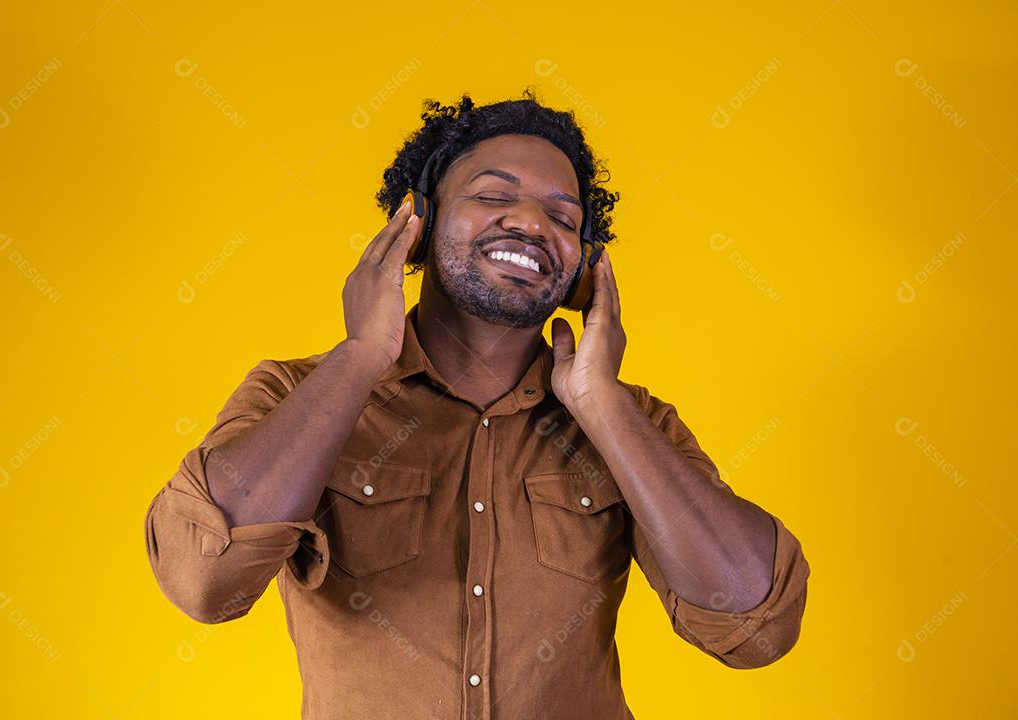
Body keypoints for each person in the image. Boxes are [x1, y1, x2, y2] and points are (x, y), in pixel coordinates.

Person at [144, 89, 811, 720]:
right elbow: (204, 580)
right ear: (418, 221)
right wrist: (362, 355)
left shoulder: (635, 424)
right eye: (493, 195)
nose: (529, 223)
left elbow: (757, 627)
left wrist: (601, 405)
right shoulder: (295, 395)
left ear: (585, 264)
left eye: (563, 218)